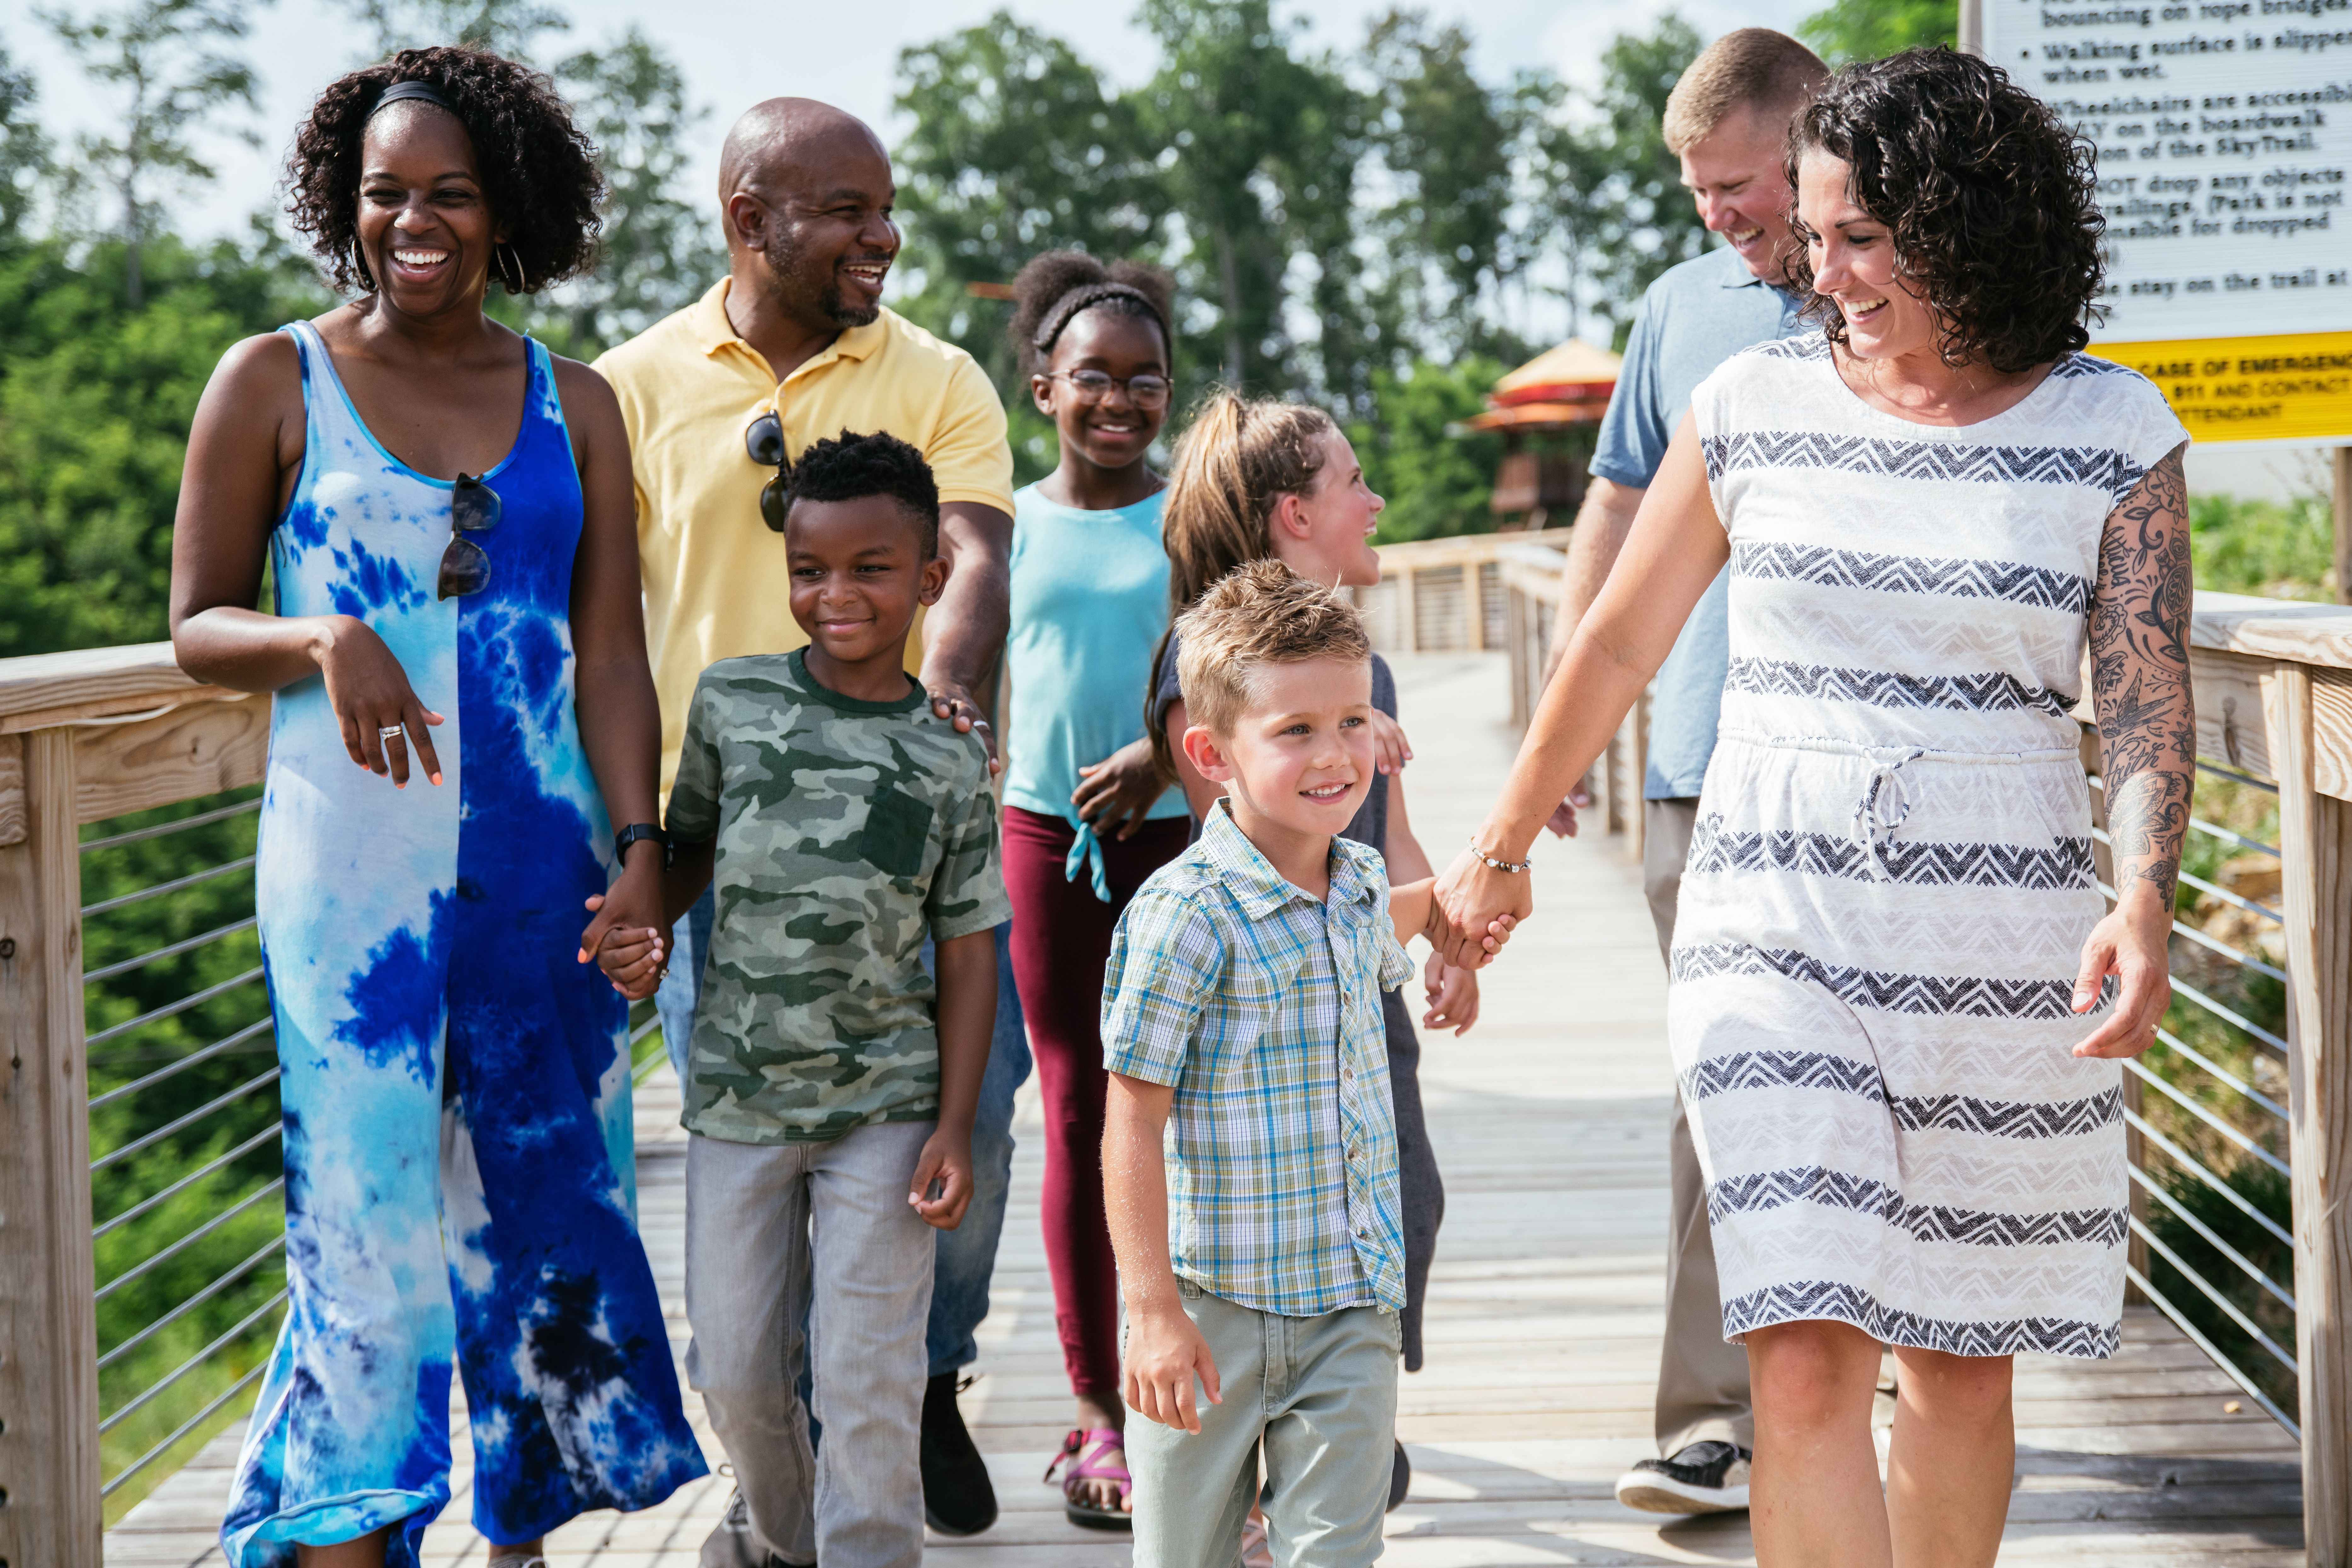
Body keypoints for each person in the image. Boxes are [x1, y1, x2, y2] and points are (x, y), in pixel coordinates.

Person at [1435, 48, 2192, 1568]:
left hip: (2010, 939)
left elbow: (2144, 700)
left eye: (1862, 236)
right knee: (1798, 1350)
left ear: (1969, 225)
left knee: (1963, 1369)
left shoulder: (2114, 431)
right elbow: (1618, 641)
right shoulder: (1749, 400)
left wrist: (2143, 892)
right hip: (1774, 911)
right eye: (1817, 231)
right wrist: (1499, 850)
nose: (1821, 269)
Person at [170, 49, 706, 1568]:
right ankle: (349, 1536)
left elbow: (610, 653)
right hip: (352, 887)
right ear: (345, 210)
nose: (414, 221)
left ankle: (522, 1541)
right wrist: (320, 638)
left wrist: (642, 857)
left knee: (541, 1206)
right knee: (362, 1224)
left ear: (505, 209)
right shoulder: (273, 378)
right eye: (384, 194)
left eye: (449, 195)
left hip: (549, 873)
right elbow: (200, 623)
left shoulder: (576, 404)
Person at [591, 96, 1022, 1535]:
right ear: (747, 218)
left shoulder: (939, 375)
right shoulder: (631, 386)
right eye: (844, 210)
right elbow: (602, 631)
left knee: (973, 1129)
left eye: (882, 205)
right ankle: (781, 1496)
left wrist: (943, 716)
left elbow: (970, 556)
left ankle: (923, 1381)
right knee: (754, 1209)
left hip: (919, 841)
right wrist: (640, 854)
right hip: (720, 852)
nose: (881, 235)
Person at [1541, 27, 1829, 1517]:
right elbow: (1612, 503)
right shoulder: (1681, 308)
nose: (1718, 214)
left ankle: (1850, 1377)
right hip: (1700, 768)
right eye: (1697, 192)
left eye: (1737, 184)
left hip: (1867, 780)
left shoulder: (1911, 285)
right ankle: (1715, 1414)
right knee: (1719, 1093)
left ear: (1817, 138)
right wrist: (1568, 729)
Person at [1103, 563, 1510, 1568]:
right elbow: (1130, 1121)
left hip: (1348, 1303)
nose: (1337, 754)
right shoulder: (1183, 917)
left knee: (1335, 1552)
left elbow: (1389, 926)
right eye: (1295, 730)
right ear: (1212, 752)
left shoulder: (1361, 876)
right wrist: (1151, 1311)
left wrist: (1452, 952)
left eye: (1355, 721)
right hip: (1210, 1308)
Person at [1146, 392, 1475, 1529]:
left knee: (1408, 1204)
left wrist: (1445, 932)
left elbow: (1387, 837)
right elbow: (1251, 845)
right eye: (1352, 482)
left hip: (1363, 982)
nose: (1375, 499)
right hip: (1272, 1008)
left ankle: (1347, 1421)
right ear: (1296, 510)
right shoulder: (1222, 663)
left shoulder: (1356, 664)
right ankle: (1279, 1469)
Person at [993, 250, 1190, 1528]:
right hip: (1044, 841)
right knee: (1073, 1109)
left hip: (1181, 839)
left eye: (1145, 382)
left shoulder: (1197, 516)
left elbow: (1244, 669)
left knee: (1187, 1110)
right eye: (1093, 380)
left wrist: (1161, 750)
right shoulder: (1003, 520)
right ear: (1041, 388)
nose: (1119, 402)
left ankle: (1207, 1384)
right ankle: (1098, 1413)